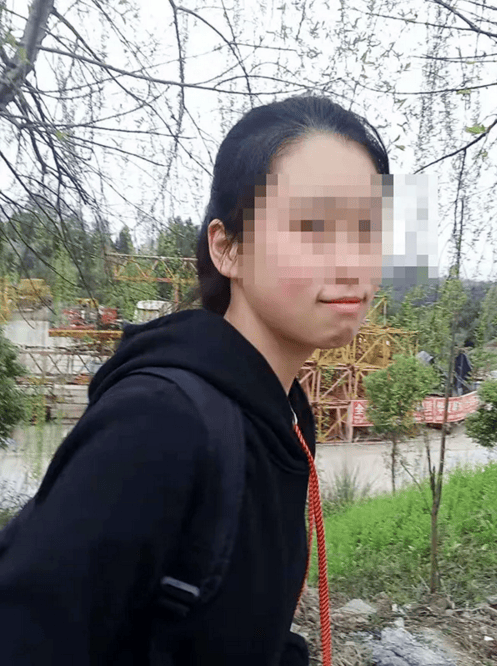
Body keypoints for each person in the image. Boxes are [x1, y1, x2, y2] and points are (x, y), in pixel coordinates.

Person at [0, 95, 389, 665]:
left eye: (366, 229)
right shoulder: (161, 423)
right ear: (226, 248)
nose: (352, 263)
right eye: (313, 226)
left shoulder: (279, 412)